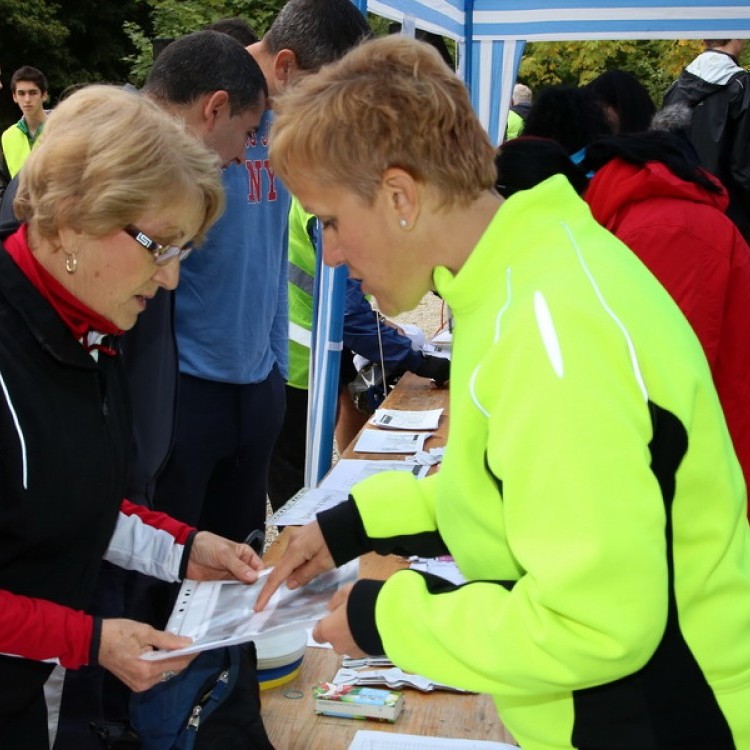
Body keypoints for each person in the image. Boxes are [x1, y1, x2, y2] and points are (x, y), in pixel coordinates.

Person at [255, 36, 750, 749]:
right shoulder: (517, 274)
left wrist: (386, 619)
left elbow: (597, 623)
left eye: (329, 221)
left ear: (399, 196)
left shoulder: (550, 327)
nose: (329, 252)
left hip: (653, 719)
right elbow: (498, 489)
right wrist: (344, 529)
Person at [0, 84, 268, 750]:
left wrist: (183, 549)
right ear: (70, 218)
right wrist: (87, 639)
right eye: (160, 246)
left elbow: (69, 499)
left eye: (184, 252)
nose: (170, 279)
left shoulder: (88, 320)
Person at [152, 0, 372, 544]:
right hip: (185, 390)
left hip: (256, 388)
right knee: (174, 572)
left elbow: (273, 251)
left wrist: (272, 373)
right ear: (286, 67)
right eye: (322, 92)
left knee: (239, 562)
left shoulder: (282, 130)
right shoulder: (194, 114)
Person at [496, 132, 750, 515]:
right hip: (697, 452)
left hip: (714, 458)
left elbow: (659, 379)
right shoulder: (625, 220)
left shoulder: (658, 230)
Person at [268, 199, 449, 509]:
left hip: (320, 347)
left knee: (322, 471)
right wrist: (420, 362)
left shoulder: (333, 194)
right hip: (297, 363)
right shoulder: (327, 208)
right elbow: (350, 315)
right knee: (297, 488)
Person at [663, 39, 750, 241]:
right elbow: (744, 166)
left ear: (704, 40)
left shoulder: (676, 89)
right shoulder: (742, 87)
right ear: (738, 38)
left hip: (682, 215)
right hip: (731, 219)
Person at [0, 66, 49, 200]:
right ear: (14, 97)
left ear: (43, 95)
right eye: (21, 93)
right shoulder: (8, 136)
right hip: (19, 216)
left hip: (55, 213)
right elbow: (5, 182)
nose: (27, 99)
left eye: (33, 93)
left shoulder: (61, 131)